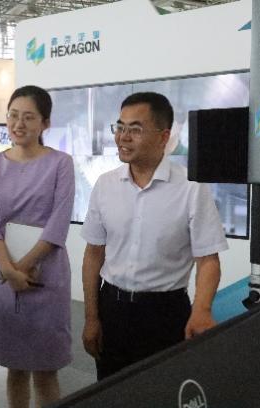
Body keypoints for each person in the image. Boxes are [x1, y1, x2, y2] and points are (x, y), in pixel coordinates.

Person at [80, 92, 229, 380]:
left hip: (165, 313)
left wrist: (201, 310)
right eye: (120, 127)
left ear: (164, 137)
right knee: (111, 391)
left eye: (135, 129)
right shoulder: (105, 185)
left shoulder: (191, 188)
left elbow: (208, 260)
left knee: (163, 390)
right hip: (113, 308)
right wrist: (91, 317)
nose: (123, 137)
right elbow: (93, 254)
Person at [0, 85, 75, 408]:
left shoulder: (60, 163)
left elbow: (58, 223)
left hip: (46, 273)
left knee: (46, 370)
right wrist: (9, 270)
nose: (18, 124)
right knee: (15, 367)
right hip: (6, 274)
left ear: (45, 123)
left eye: (29, 117)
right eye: (13, 115)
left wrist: (20, 268)